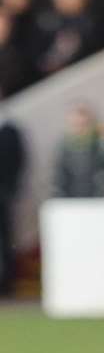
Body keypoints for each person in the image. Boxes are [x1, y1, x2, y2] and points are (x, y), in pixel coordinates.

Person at [0, 108, 21, 297]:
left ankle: (7, 285)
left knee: (6, 240)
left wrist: (11, 190)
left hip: (3, 194)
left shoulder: (10, 129)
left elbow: (18, 161)